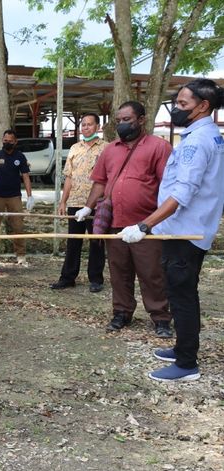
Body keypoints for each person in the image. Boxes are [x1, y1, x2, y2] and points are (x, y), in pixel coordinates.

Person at [119, 80, 224, 381]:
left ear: (203, 106)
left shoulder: (196, 142)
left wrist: (144, 225)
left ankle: (187, 363)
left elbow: (182, 193)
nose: (177, 110)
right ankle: (182, 349)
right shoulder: (209, 136)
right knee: (181, 291)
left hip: (185, 233)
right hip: (188, 228)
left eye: (182, 104)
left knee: (181, 295)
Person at [75, 101, 173, 337]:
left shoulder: (159, 147)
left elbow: (169, 186)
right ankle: (121, 312)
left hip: (146, 225)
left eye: (127, 120)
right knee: (119, 272)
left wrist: (153, 222)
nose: (122, 124)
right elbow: (100, 181)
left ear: (141, 120)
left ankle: (160, 317)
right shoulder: (110, 150)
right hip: (115, 223)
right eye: (118, 121)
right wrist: (88, 208)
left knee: (151, 273)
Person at [51, 113, 107, 292]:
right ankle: (67, 277)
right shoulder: (75, 148)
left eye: (90, 124)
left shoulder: (107, 148)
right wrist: (62, 201)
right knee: (73, 242)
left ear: (97, 127)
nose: (86, 128)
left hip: (97, 204)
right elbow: (68, 177)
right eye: (83, 125)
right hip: (75, 203)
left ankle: (96, 279)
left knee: (96, 242)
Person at [0, 130, 35, 266]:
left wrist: (30, 196)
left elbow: (25, 177)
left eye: (10, 141)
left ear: (15, 142)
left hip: (14, 196)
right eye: (5, 140)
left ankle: (21, 255)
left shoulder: (20, 157)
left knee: (18, 226)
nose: (7, 143)